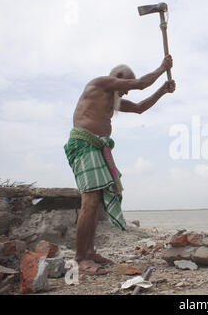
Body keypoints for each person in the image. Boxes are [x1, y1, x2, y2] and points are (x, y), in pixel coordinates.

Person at [64, 55, 175, 275]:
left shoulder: (112, 99)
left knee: (95, 203)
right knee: (90, 201)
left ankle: (90, 251)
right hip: (84, 145)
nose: (125, 93)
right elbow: (141, 84)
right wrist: (163, 68)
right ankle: (80, 258)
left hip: (97, 148)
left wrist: (163, 90)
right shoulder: (101, 83)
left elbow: (140, 107)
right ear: (118, 77)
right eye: (124, 87)